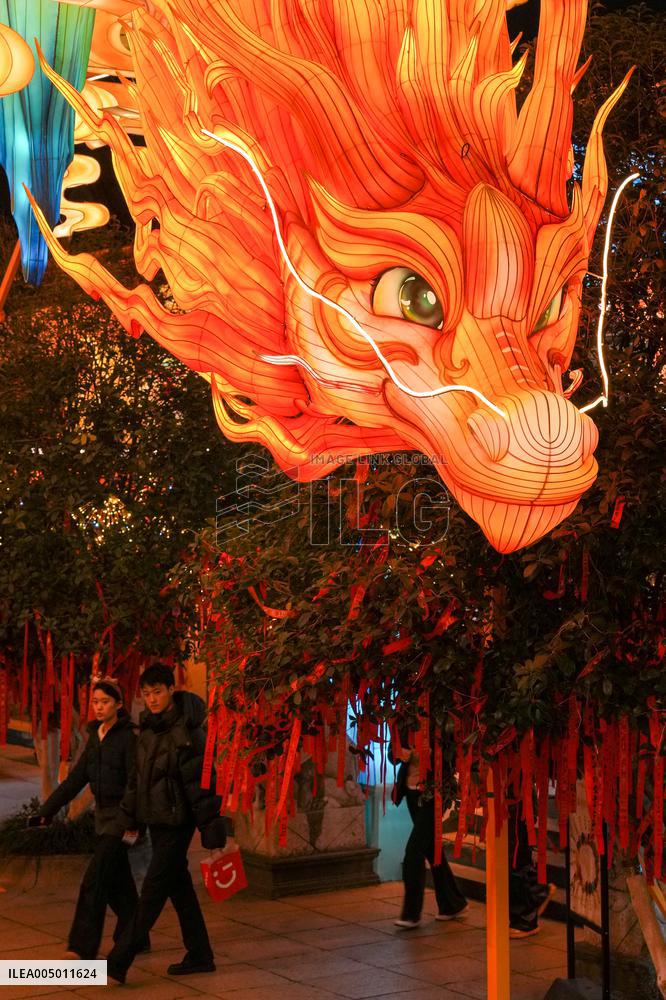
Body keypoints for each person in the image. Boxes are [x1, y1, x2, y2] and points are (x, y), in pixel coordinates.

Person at [106, 663, 227, 984]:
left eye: (157, 692)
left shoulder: (187, 731)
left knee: (153, 892)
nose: (152, 699)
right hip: (155, 820)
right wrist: (127, 822)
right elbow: (136, 782)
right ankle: (200, 954)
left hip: (177, 822)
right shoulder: (146, 731)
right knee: (179, 888)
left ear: (171, 689)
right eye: (146, 694)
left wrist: (213, 836)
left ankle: (119, 959)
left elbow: (202, 784)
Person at [32, 680, 147, 960]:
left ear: (119, 705)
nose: (99, 707)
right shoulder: (96, 736)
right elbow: (76, 780)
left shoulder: (129, 738)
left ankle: (81, 947)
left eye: (105, 702)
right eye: (95, 702)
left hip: (123, 821)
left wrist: (126, 821)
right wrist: (46, 810)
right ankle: (137, 936)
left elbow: (136, 784)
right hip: (103, 818)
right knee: (118, 886)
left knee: (94, 881)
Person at [390, 740, 468, 928]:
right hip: (411, 792)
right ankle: (452, 903)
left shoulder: (440, 722)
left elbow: (451, 756)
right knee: (432, 849)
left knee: (413, 852)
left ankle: (411, 914)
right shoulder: (405, 722)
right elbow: (391, 757)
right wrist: (401, 753)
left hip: (434, 794)